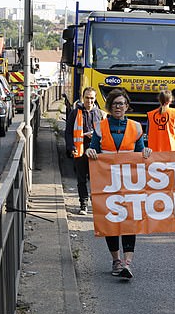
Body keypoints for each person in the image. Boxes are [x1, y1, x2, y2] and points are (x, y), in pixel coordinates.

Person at [85, 88, 152, 279]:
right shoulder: (100, 126)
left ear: (127, 106)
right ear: (109, 106)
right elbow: (93, 149)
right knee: (112, 221)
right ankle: (115, 260)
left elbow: (140, 152)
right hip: (107, 182)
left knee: (129, 221)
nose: (118, 107)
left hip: (129, 182)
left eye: (121, 104)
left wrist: (146, 152)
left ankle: (127, 262)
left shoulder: (136, 127)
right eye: (115, 104)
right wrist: (90, 152)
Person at [64, 87, 103, 215]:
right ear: (83, 97)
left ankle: (96, 204)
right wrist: (71, 147)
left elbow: (104, 133)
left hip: (96, 152)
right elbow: (68, 132)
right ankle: (83, 204)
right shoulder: (75, 113)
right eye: (87, 98)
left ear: (95, 99)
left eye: (92, 98)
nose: (89, 101)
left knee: (96, 180)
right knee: (81, 179)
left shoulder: (100, 114)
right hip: (80, 150)